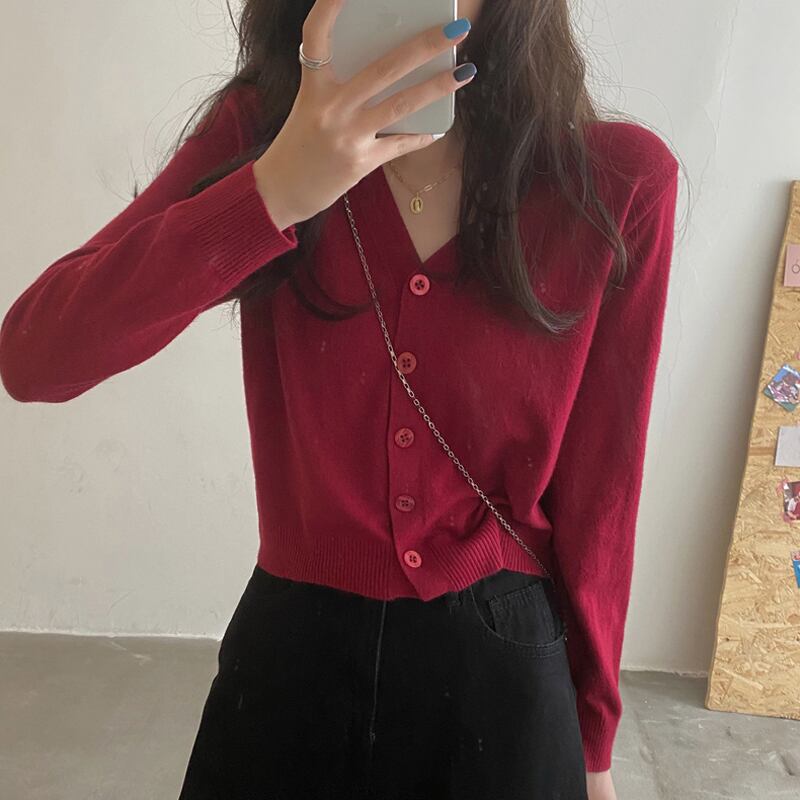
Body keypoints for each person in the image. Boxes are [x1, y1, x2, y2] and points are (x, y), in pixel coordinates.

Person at [0, 0, 681, 798]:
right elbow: (34, 357)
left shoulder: (615, 181)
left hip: (504, 681)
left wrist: (593, 739)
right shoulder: (264, 130)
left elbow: (603, 493)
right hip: (290, 665)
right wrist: (272, 191)